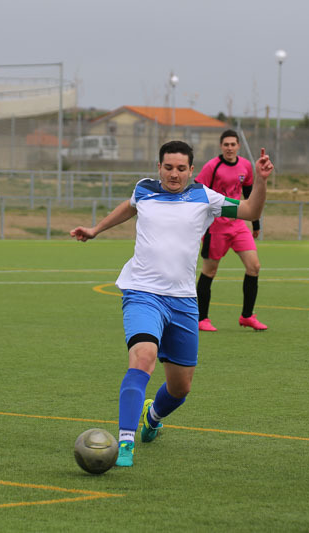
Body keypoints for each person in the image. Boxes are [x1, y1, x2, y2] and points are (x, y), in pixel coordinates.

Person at [70, 141, 273, 467]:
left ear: (191, 170)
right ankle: (125, 443)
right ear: (159, 168)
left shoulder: (205, 198)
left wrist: (260, 180)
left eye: (180, 168)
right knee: (143, 357)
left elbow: (251, 211)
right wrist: (96, 229)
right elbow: (130, 206)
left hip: (183, 302)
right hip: (142, 293)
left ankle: (152, 417)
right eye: (168, 167)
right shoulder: (145, 189)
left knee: (180, 387)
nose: (174, 174)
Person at [195, 130, 267, 332]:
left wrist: (255, 224)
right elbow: (197, 191)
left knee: (254, 267)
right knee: (210, 271)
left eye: (232, 144)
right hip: (216, 227)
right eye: (226, 144)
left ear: (238, 146)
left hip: (238, 225)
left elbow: (249, 196)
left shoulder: (245, 165)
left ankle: (247, 316)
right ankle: (202, 319)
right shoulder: (212, 166)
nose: (229, 148)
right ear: (221, 146)